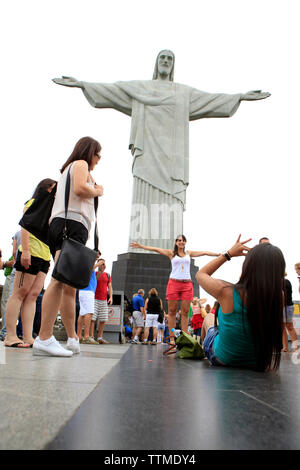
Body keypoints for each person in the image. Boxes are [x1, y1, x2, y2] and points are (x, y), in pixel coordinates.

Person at [53, 50, 270, 249]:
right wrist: (82, 84)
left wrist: (240, 97)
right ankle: (139, 246)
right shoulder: (141, 89)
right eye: (162, 58)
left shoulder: (183, 94)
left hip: (173, 163)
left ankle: (168, 248)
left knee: (170, 205)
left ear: (173, 65)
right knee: (143, 199)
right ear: (157, 63)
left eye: (170, 58)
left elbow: (211, 99)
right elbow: (113, 90)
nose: (166, 61)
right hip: (147, 154)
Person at [33, 136, 104, 357]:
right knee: (59, 280)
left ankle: (72, 337)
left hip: (68, 225)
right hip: (70, 224)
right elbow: (82, 189)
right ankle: (44, 337)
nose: (98, 160)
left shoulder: (70, 168)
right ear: (89, 152)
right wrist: (98, 190)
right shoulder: (81, 164)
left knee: (67, 283)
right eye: (98, 155)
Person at [197, 235, 285, 371]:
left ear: (249, 266)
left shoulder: (226, 291)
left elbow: (201, 274)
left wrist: (228, 254)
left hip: (222, 358)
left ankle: (203, 351)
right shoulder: (279, 296)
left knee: (209, 318)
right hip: (256, 362)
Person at [130, 236, 220, 344]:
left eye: (183, 240)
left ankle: (185, 336)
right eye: (179, 240)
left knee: (185, 312)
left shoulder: (189, 253)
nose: (181, 242)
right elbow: (156, 249)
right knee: (172, 312)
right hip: (174, 283)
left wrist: (217, 255)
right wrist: (141, 246)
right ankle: (172, 338)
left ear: (185, 242)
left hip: (187, 284)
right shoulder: (171, 253)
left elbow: (204, 252)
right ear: (176, 243)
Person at [4, 179, 56, 348]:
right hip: (30, 252)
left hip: (44, 256)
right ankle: (10, 335)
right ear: (46, 188)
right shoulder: (33, 202)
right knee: (19, 293)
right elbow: (24, 226)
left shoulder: (51, 210)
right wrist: (25, 251)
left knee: (33, 296)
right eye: (55, 188)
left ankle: (28, 336)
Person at [77, 254, 102, 344]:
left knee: (82, 313)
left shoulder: (83, 264)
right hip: (88, 291)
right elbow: (90, 268)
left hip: (83, 291)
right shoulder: (88, 265)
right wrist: (99, 263)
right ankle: (86, 336)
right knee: (89, 313)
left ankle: (79, 336)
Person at [90, 258, 113, 344]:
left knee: (103, 319)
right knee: (92, 319)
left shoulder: (107, 275)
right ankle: (91, 336)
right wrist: (99, 270)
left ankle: (100, 338)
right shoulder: (95, 273)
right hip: (95, 298)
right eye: (102, 264)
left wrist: (111, 297)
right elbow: (96, 279)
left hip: (103, 300)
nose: (103, 265)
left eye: (104, 264)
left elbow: (110, 287)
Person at [282, 274, 298, 352]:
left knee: (289, 327)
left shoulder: (285, 282)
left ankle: (295, 348)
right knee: (282, 328)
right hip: (283, 307)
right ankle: (285, 347)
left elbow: (284, 296)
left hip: (287, 306)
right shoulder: (279, 282)